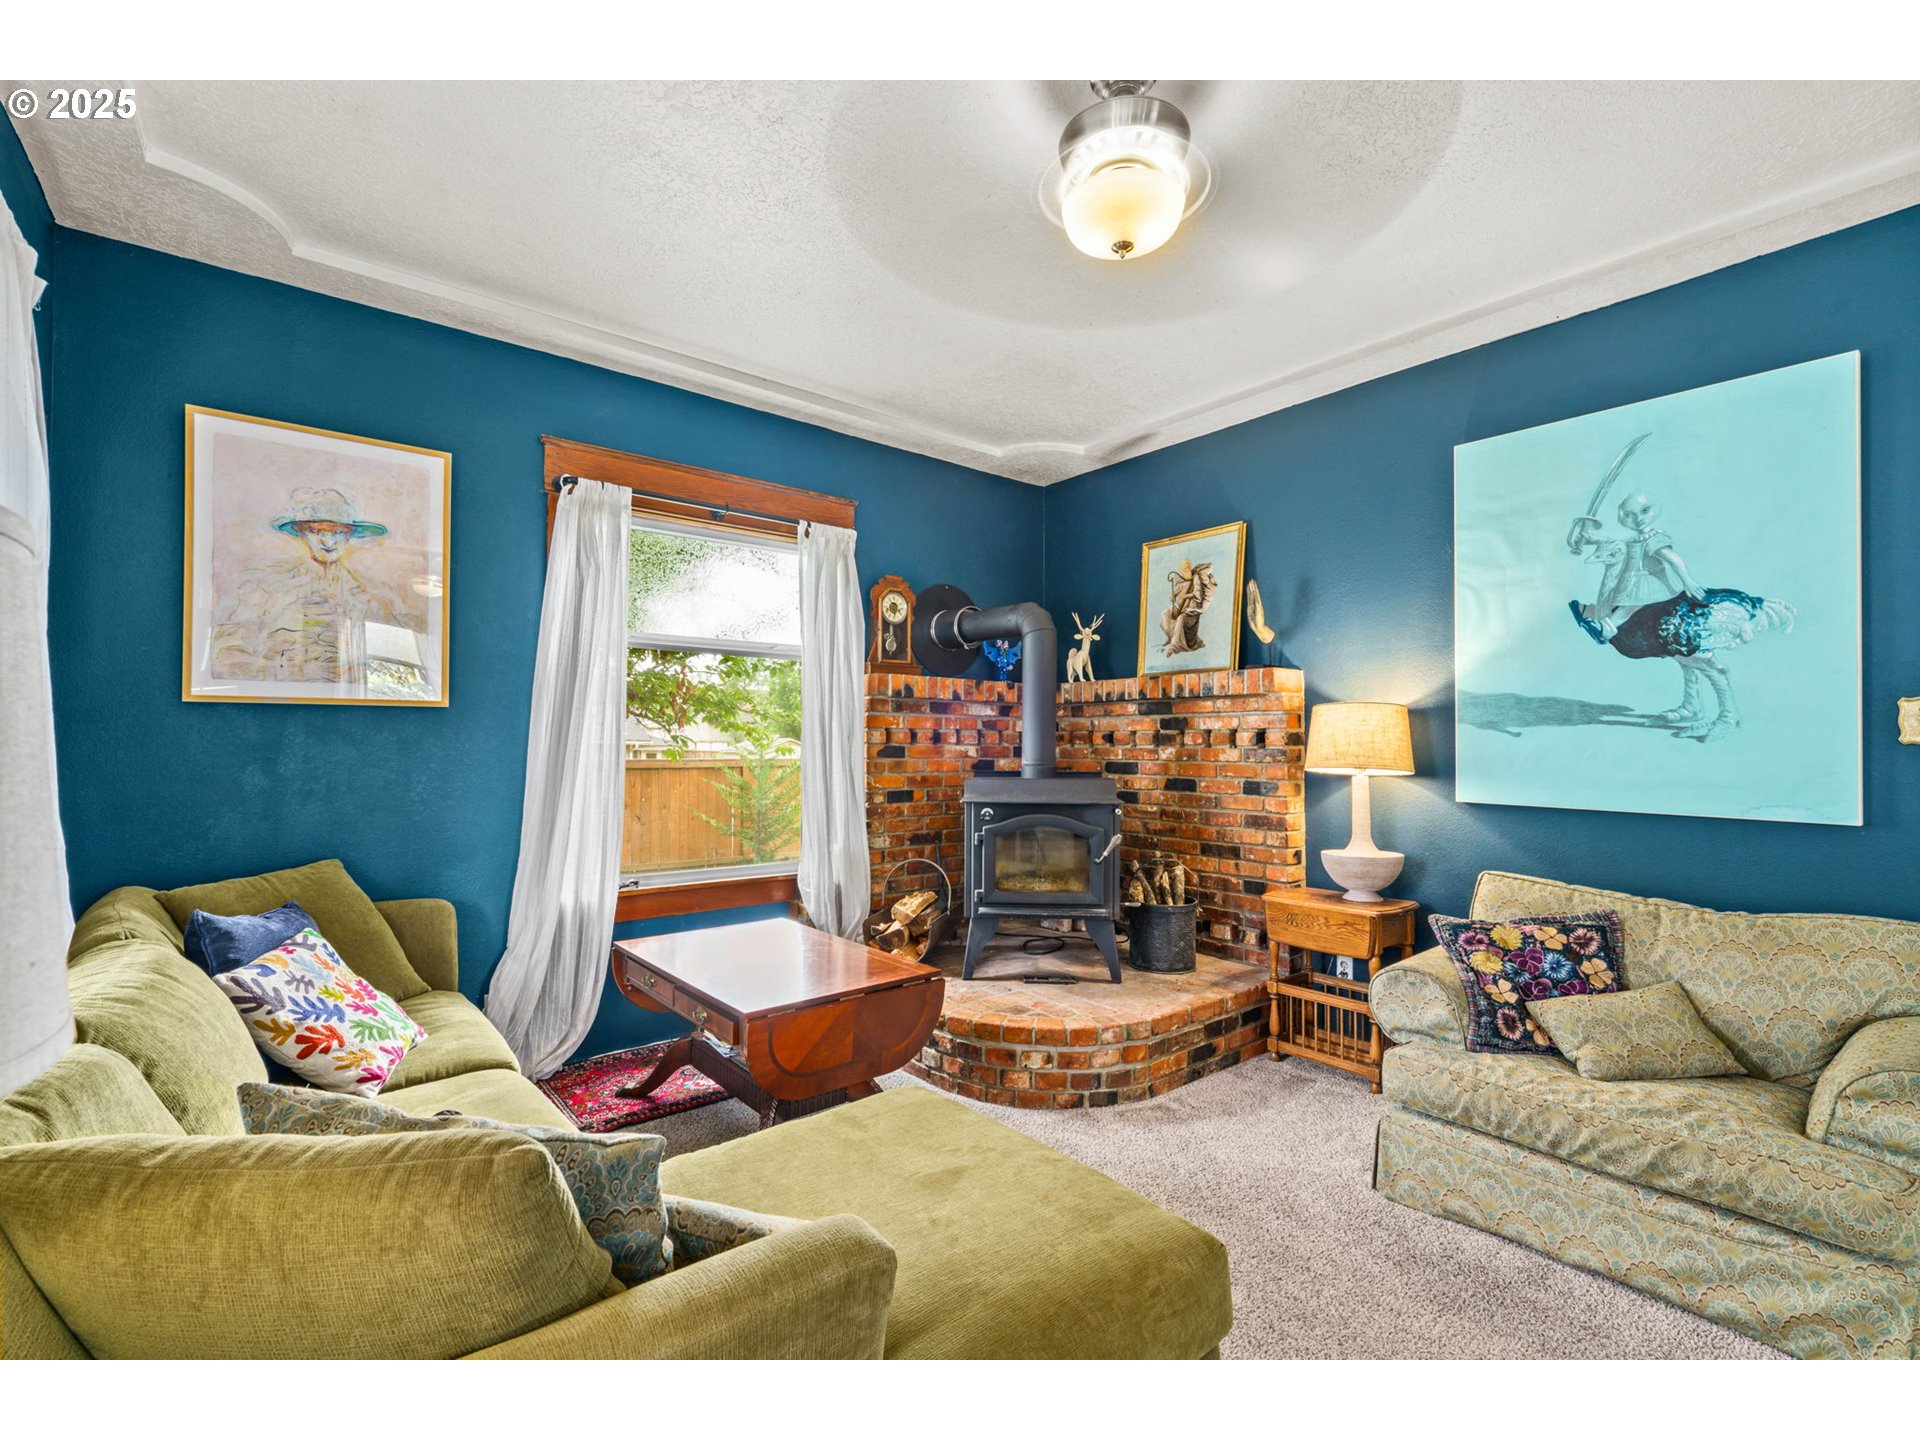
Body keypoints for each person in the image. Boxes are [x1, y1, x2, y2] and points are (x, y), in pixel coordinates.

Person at [1566, 491, 1793, 741]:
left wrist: (1688, 581)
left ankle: (1729, 716)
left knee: (1695, 655)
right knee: (1682, 656)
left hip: (1658, 594)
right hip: (1641, 597)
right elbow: (1614, 546)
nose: (1637, 519)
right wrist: (1588, 537)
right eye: (1629, 515)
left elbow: (1672, 559)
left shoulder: (1655, 538)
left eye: (1643, 512)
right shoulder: (1631, 542)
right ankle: (1692, 707)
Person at [210, 487, 415, 687]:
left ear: (349, 536)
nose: (328, 541)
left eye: (337, 531)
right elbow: (229, 652)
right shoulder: (269, 590)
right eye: (315, 531)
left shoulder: (372, 597)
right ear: (302, 534)